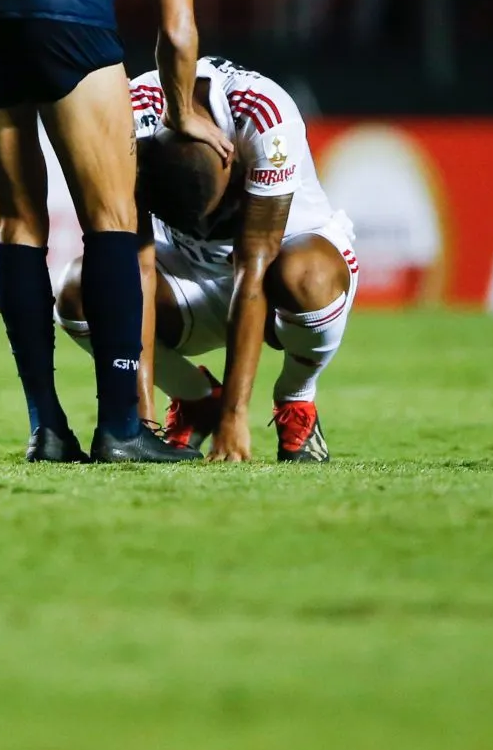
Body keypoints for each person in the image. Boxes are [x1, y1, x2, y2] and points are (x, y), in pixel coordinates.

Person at [0, 0, 232, 465]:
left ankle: (45, 428)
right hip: (66, 1)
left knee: (17, 219)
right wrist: (183, 115)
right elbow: (178, 29)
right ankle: (122, 430)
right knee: (114, 217)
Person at [55, 57, 359, 463]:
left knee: (306, 276)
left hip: (273, 274)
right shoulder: (127, 120)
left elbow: (254, 267)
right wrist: (138, 419)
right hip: (187, 274)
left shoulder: (266, 116)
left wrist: (236, 417)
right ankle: (195, 398)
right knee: (81, 291)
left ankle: (296, 399)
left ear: (229, 159)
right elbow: (138, 266)